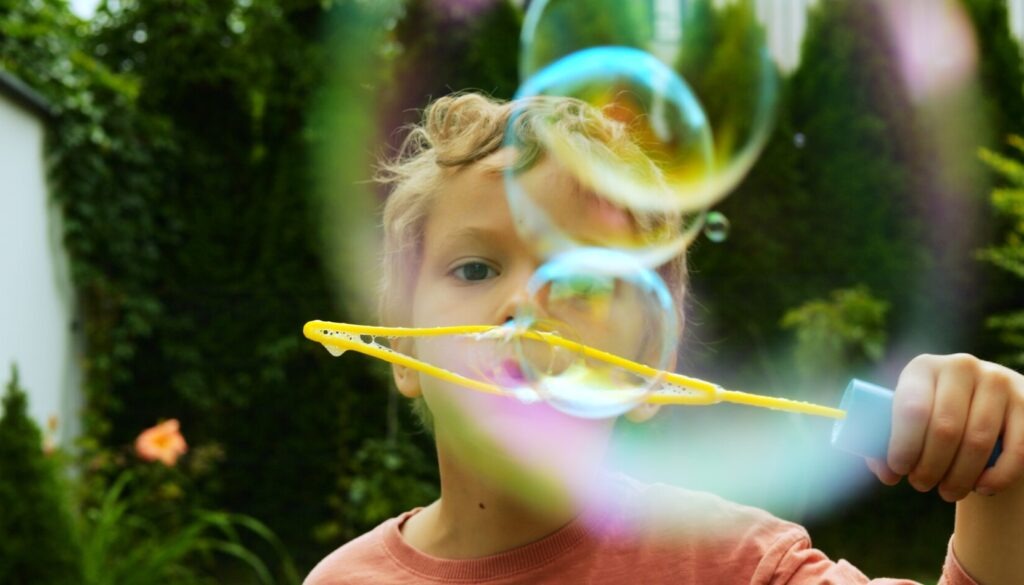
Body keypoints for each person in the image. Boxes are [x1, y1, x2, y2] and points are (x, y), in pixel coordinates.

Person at [305, 93, 1024, 584]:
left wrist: (1005, 480)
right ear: (403, 348)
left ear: (650, 364)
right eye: (474, 268)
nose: (524, 305)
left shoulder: (731, 563)